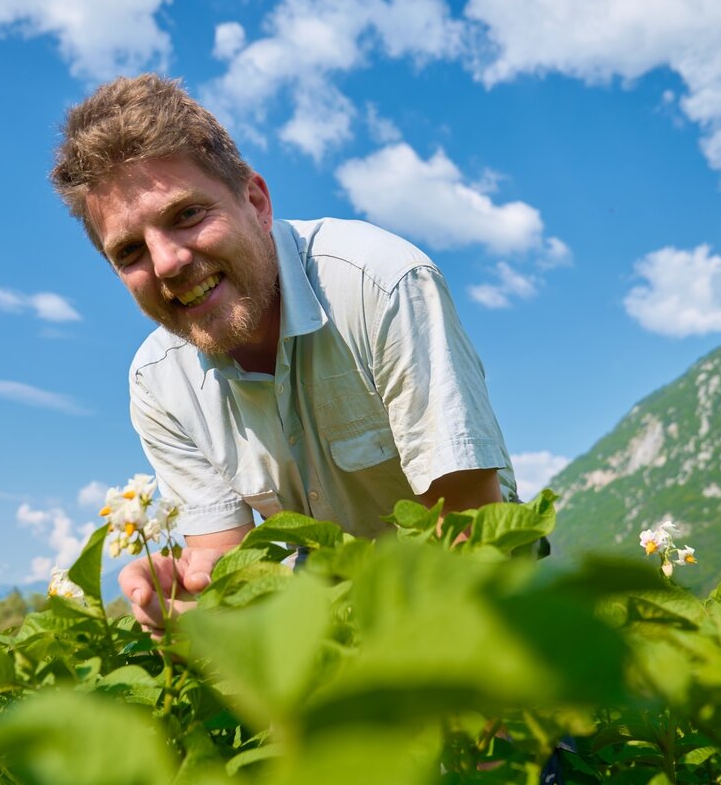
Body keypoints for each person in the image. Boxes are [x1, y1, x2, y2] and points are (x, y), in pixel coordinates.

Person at [51, 73, 518, 634]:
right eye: (130, 251)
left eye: (187, 215)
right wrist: (186, 608)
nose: (168, 263)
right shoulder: (159, 382)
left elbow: (470, 535)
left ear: (256, 202)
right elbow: (229, 567)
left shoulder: (380, 285)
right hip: (330, 634)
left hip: (481, 613)